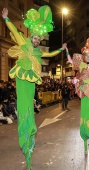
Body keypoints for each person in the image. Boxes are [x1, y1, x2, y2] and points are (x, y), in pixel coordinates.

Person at [2, 6, 66, 170]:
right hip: (21, 77)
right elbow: (15, 32)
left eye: (39, 39)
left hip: (30, 80)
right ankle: (24, 126)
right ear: (31, 36)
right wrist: (6, 18)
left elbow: (51, 54)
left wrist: (62, 49)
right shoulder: (24, 42)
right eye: (35, 38)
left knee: (29, 105)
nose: (37, 41)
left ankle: (28, 128)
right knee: (23, 102)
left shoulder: (39, 52)